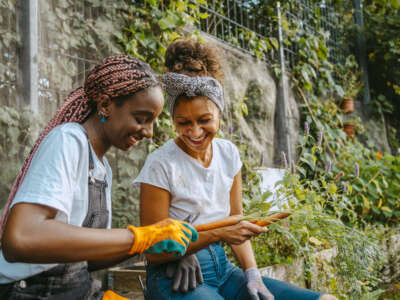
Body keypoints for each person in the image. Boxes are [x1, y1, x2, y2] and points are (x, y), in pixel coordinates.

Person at [134, 40, 338, 300]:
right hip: (176, 277)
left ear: (220, 113)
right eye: (183, 123)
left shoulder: (228, 154)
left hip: (224, 271)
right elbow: (152, 249)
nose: (195, 132)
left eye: (205, 120)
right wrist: (196, 243)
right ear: (173, 119)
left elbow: (236, 221)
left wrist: (252, 273)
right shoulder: (161, 164)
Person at [0, 55, 198, 300]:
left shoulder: (101, 167)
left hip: (76, 288)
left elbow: (88, 258)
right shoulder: (68, 140)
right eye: (141, 119)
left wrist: (148, 245)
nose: (149, 132)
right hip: (31, 291)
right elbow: (21, 238)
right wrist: (140, 236)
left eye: (153, 122)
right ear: (105, 105)